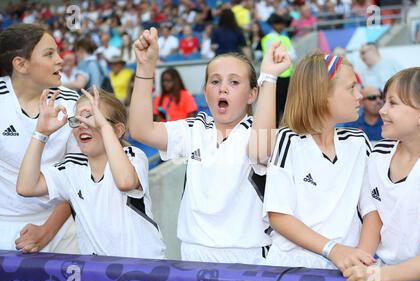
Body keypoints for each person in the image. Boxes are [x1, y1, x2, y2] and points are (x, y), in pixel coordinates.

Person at [129, 28, 290, 264]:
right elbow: (141, 129)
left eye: (234, 82)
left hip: (249, 255)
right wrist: (145, 68)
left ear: (252, 94)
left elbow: (261, 149)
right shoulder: (195, 128)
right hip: (194, 252)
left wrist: (268, 77)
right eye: (215, 82)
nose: (223, 88)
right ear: (205, 93)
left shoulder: (260, 132)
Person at [16, 86, 166, 259]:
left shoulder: (132, 155)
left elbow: (125, 182)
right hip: (96, 273)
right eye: (77, 120)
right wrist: (41, 133)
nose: (82, 125)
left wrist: (103, 126)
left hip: (143, 268)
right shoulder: (72, 166)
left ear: (117, 130)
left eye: (91, 118)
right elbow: (26, 187)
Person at [263, 53, 376, 271]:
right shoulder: (288, 140)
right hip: (293, 268)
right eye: (351, 88)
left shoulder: (359, 142)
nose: (359, 95)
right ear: (322, 94)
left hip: (349, 266)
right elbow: (278, 214)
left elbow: (372, 210)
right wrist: (333, 250)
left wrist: (361, 257)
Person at [344, 66, 420, 281]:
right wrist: (362, 261)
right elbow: (374, 215)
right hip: (384, 274)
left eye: (393, 103)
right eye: (384, 101)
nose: (382, 110)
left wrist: (376, 277)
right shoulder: (379, 152)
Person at [0, 23, 78, 253]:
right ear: (21, 64)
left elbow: (80, 174)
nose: (60, 60)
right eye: (49, 54)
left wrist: (47, 230)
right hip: (5, 227)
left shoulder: (72, 102)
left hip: (64, 228)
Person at [261, 13, 296, 126]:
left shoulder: (271, 38)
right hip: (279, 77)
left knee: (280, 106)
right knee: (280, 107)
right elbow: (290, 55)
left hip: (280, 77)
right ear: (274, 25)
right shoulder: (276, 38)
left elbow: (292, 55)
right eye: (279, 24)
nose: (282, 26)